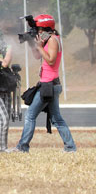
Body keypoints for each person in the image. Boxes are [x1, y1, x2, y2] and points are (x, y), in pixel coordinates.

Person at [9, 14, 76, 153]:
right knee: (57, 119)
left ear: (46, 28)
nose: (38, 32)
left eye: (39, 29)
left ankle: (22, 147)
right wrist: (32, 42)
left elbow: (51, 60)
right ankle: (70, 147)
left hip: (48, 85)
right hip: (50, 84)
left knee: (30, 116)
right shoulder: (49, 39)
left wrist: (39, 46)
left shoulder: (52, 40)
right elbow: (37, 56)